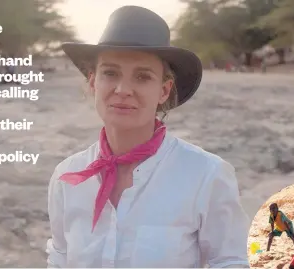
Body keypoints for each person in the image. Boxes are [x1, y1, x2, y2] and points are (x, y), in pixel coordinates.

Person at [46, 5, 250, 268]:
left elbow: (232, 261)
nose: (123, 90)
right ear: (93, 82)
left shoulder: (205, 175)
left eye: (142, 77)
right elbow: (60, 258)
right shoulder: (67, 177)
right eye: (110, 73)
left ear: (164, 91)